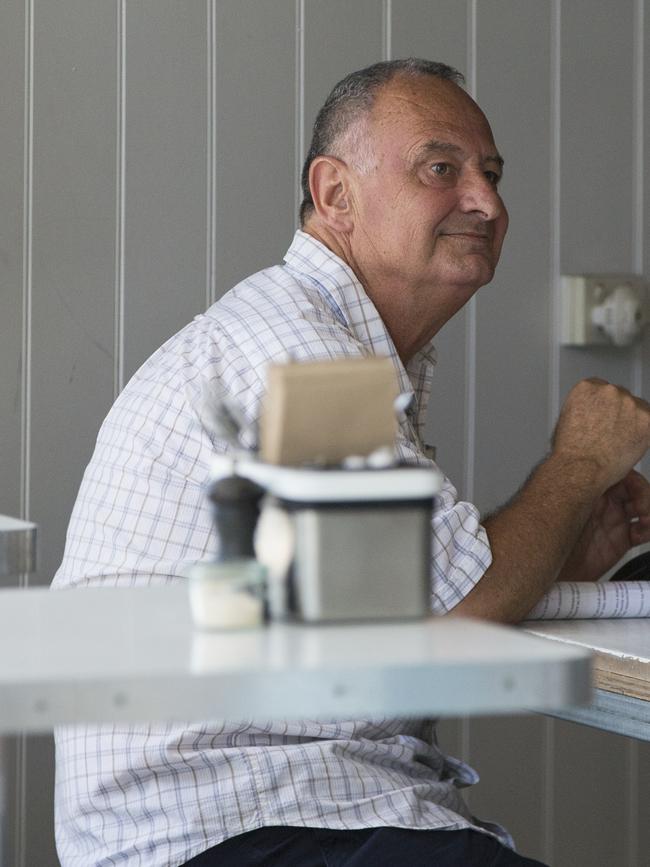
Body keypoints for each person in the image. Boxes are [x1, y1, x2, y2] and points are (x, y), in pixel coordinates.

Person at [52, 58, 650, 867]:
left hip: (267, 811)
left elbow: (400, 619)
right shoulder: (297, 351)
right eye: (442, 169)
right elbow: (458, 621)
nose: (488, 202)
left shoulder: (319, 341)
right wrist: (579, 464)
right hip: (225, 825)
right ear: (335, 195)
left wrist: (568, 543)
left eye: (493, 173)